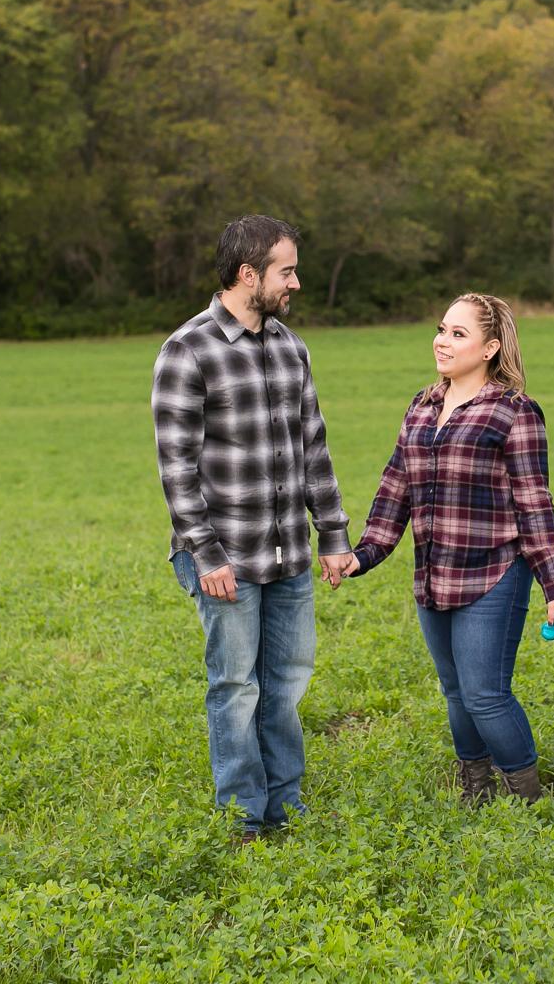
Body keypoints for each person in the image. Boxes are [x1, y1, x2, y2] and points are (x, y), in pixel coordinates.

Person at [151, 215, 356, 842]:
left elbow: (313, 449)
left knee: (285, 687)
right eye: (286, 270)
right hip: (224, 559)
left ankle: (284, 811)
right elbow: (176, 468)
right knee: (236, 689)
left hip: (288, 553)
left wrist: (333, 535)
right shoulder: (187, 351)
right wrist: (206, 554)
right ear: (249, 274)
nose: (296, 282)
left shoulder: (291, 347)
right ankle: (243, 819)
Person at [337, 293, 554, 805]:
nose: (442, 341)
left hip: (493, 572)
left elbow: (535, 505)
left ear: (490, 347)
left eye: (458, 333)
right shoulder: (422, 406)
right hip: (432, 576)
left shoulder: (514, 412)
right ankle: (477, 790)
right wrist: (363, 554)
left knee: (486, 695)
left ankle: (528, 798)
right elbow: (395, 486)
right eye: (442, 329)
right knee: (456, 694)